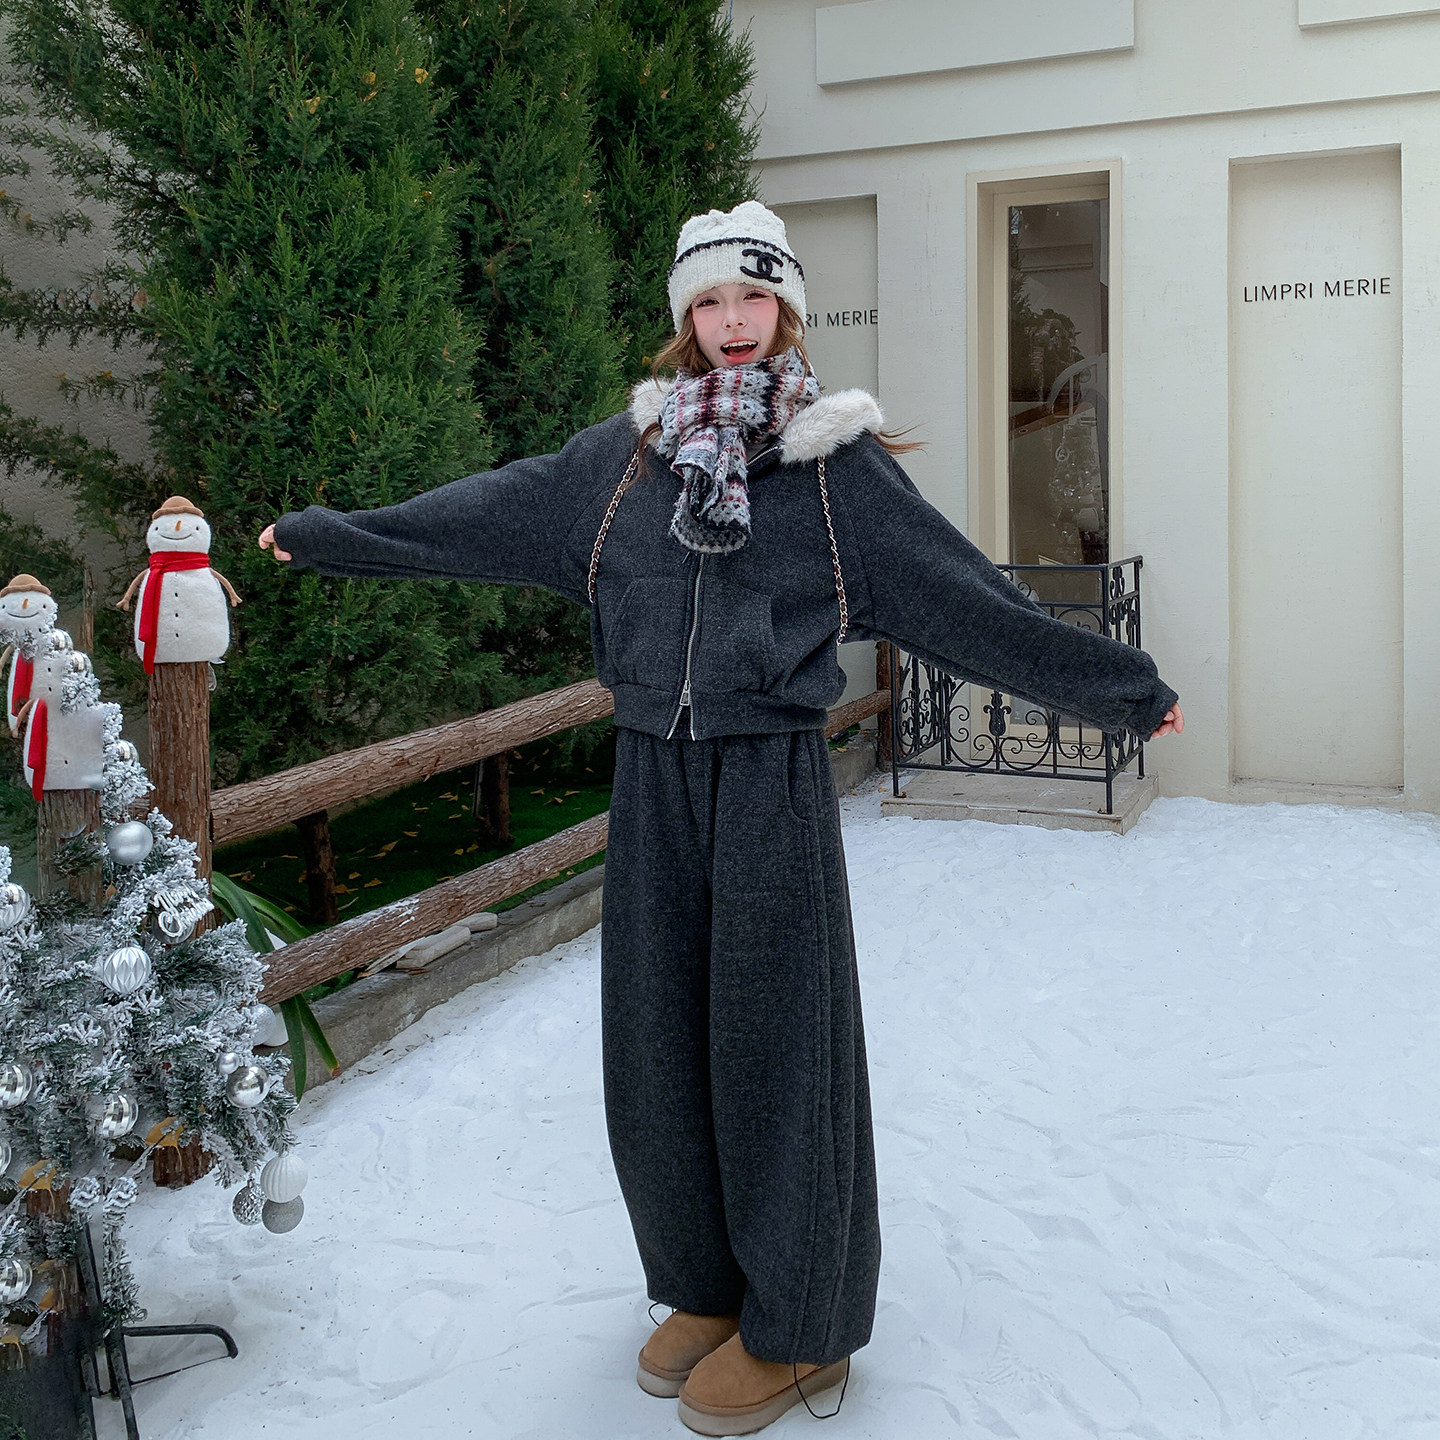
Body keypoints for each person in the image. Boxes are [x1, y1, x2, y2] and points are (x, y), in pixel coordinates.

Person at [260, 199, 1183, 1436]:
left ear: (786, 308)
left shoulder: (836, 471)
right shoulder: (619, 466)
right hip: (650, 777)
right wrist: (330, 540)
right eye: (709, 302)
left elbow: (968, 600)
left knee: (775, 1049)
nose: (732, 322)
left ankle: (801, 1328)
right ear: (683, 321)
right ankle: (701, 1288)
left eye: (754, 299)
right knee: (655, 1051)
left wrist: (1124, 692)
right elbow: (480, 511)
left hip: (768, 781)